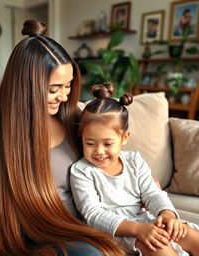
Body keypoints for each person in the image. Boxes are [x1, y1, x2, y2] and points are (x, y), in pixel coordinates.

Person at [0, 20, 125, 256]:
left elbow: (110, 158)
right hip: (44, 237)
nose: (64, 96)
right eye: (54, 89)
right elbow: (2, 219)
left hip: (94, 220)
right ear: (26, 86)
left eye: (68, 85)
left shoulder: (72, 118)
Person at [70, 83, 199, 256]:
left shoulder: (134, 161)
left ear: (124, 138)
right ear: (82, 138)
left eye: (108, 143)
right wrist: (138, 229)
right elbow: (93, 215)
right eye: (90, 143)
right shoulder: (81, 171)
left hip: (145, 221)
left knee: (186, 233)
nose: (99, 151)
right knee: (158, 246)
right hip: (116, 231)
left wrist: (167, 215)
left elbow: (152, 194)